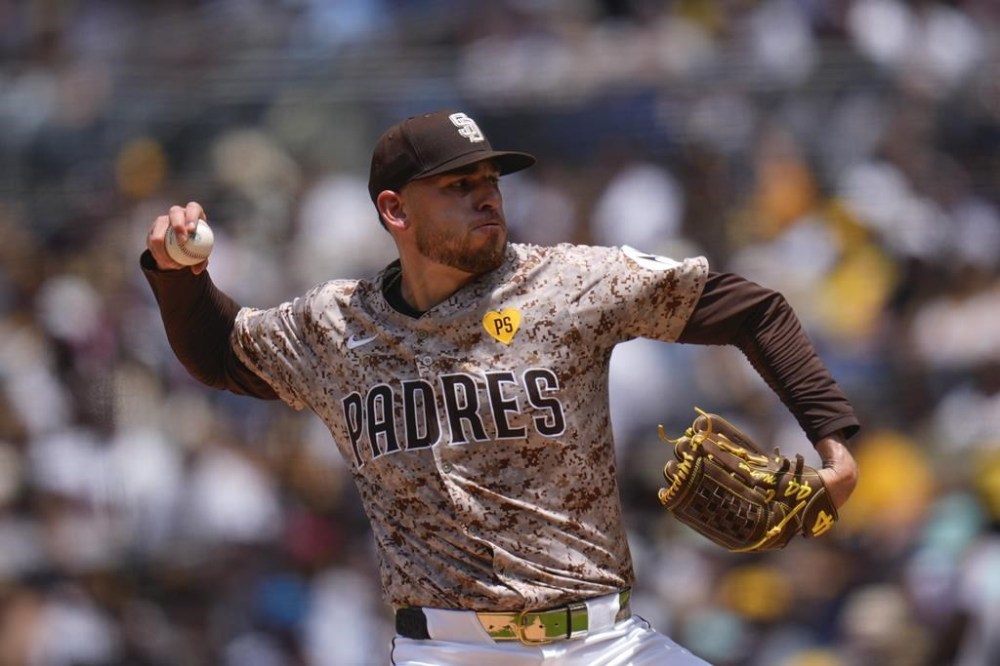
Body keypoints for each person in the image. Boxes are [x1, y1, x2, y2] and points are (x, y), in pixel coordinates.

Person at [142, 109, 860, 665]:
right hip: (447, 649)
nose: (487, 199)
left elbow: (752, 309)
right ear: (396, 211)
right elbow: (221, 353)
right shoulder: (336, 326)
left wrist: (835, 445)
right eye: (460, 187)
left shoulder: (569, 283)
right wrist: (178, 281)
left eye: (491, 182)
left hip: (600, 642)